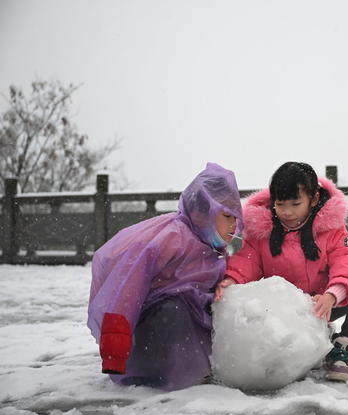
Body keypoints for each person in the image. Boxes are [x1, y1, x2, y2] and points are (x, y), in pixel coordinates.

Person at [214, 161, 348, 382]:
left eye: (295, 203)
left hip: (321, 304)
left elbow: (346, 259)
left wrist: (332, 294)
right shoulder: (261, 230)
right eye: (280, 204)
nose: (287, 212)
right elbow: (247, 262)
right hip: (280, 310)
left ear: (313, 199)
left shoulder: (331, 228)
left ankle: (343, 344)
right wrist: (231, 279)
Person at [87, 163, 243, 391]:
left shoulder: (212, 248)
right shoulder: (171, 237)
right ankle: (171, 376)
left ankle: (199, 371)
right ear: (200, 214)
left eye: (236, 216)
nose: (234, 224)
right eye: (227, 215)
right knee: (175, 307)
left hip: (186, 336)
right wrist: (115, 351)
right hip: (151, 332)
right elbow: (127, 289)